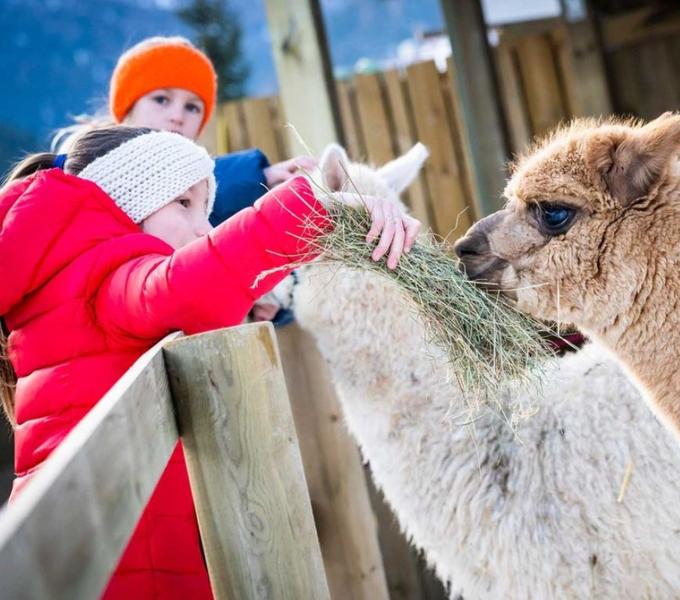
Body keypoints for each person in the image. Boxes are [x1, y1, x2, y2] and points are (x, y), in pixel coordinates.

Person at [0, 126, 419, 598]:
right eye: (184, 203)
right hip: (121, 563)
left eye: (206, 207)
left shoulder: (76, 275)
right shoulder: (110, 278)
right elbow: (183, 287)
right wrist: (316, 207)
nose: (205, 226)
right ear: (126, 203)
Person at [58, 35, 314, 323]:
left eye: (192, 107)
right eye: (161, 99)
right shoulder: (83, 175)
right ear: (127, 109)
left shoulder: (203, 211)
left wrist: (269, 299)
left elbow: (230, 256)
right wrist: (255, 176)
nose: (177, 116)